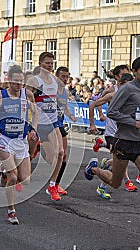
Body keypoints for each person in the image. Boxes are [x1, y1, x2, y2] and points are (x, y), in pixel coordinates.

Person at [84, 57, 140, 241]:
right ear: (135, 71)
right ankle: (94, 169)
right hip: (124, 141)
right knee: (115, 183)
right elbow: (112, 112)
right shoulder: (127, 89)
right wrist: (134, 122)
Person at [0, 65, 38, 224]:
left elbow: (35, 114)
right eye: (15, 81)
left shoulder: (28, 95)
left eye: (21, 81)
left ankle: (3, 173)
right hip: (5, 140)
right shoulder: (0, 96)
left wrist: (33, 129)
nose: (18, 84)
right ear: (9, 81)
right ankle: (11, 211)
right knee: (13, 178)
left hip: (21, 141)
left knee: (25, 179)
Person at [89, 65, 138, 199]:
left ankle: (99, 168)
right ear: (118, 78)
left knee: (122, 161)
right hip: (113, 132)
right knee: (123, 161)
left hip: (125, 132)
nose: (126, 76)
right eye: (123, 74)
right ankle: (106, 181)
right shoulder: (112, 92)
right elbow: (95, 103)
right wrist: (96, 119)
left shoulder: (133, 93)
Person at [26, 52, 64, 201]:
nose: (50, 66)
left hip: (52, 123)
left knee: (60, 153)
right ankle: (9, 171)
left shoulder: (54, 80)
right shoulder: (34, 80)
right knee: (28, 155)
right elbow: (26, 97)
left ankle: (52, 184)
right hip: (38, 123)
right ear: (40, 63)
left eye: (51, 63)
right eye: (47, 63)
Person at [55, 66, 77, 195]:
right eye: (62, 76)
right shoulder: (50, 90)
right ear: (56, 76)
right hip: (48, 125)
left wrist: (70, 115)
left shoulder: (65, 92)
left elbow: (64, 108)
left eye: (66, 77)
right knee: (30, 153)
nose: (64, 79)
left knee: (63, 155)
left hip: (60, 124)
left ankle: (56, 184)